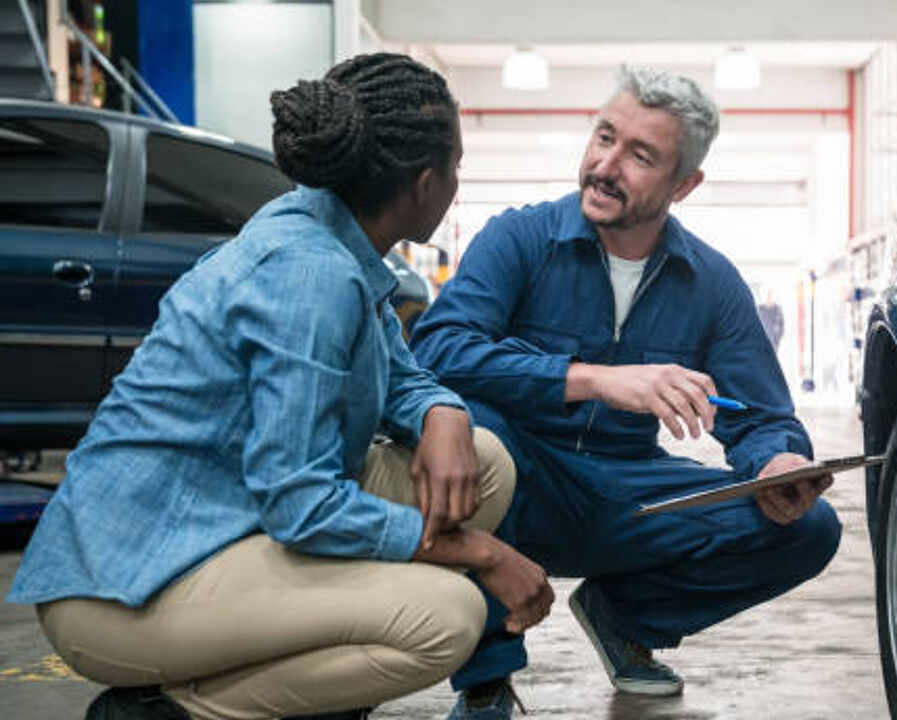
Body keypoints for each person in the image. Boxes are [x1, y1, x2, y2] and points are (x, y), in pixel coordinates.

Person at [5, 53, 554, 720]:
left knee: (483, 468)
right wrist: (483, 552)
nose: (456, 185)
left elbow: (395, 368)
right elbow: (300, 502)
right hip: (126, 588)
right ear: (424, 183)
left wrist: (443, 411)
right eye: (457, 169)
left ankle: (314, 680)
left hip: (228, 515)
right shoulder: (309, 273)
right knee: (446, 616)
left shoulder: (328, 230)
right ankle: (170, 711)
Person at [411, 66, 842, 719]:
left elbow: (760, 420)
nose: (605, 166)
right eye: (604, 137)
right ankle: (487, 680)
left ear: (684, 184)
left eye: (639, 156)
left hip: (627, 497)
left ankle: (623, 616)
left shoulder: (712, 284)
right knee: (469, 427)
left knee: (810, 525)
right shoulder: (520, 239)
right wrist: (592, 380)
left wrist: (778, 462)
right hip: (522, 482)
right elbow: (438, 350)